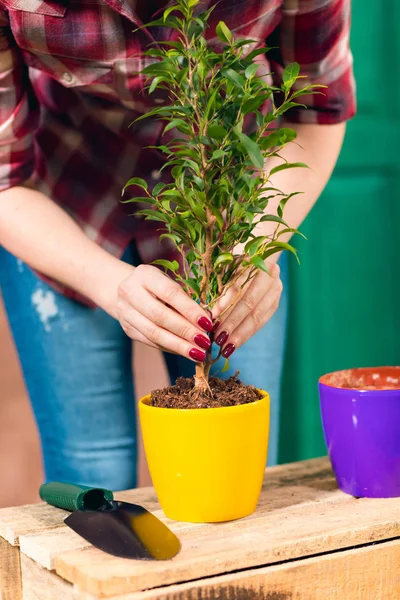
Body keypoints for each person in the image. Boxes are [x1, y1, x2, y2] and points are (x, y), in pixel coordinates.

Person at [0, 0, 355, 489]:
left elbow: (318, 108)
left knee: (234, 470)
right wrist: (106, 283)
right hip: (61, 194)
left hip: (230, 211)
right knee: (93, 471)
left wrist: (256, 246)